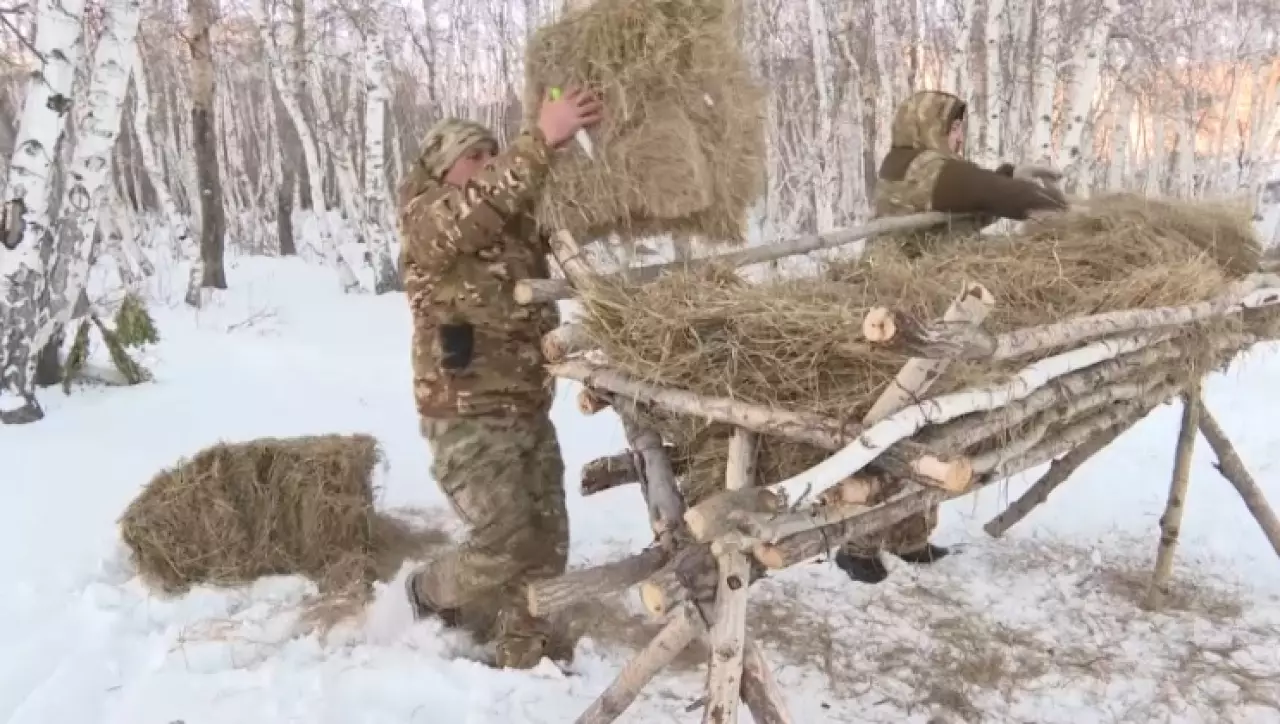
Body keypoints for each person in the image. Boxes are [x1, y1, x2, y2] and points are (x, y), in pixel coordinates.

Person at [396, 87, 603, 669]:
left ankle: (523, 651)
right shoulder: (428, 220)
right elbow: (480, 205)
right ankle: (427, 592)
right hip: (465, 416)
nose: (489, 164)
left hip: (527, 409)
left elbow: (567, 211)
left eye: (494, 154)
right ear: (444, 169)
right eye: (475, 156)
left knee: (546, 540)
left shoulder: (509, 221)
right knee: (504, 538)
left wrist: (579, 148)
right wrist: (540, 138)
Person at [833, 89, 1068, 585]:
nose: (960, 136)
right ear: (930, 125)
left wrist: (1007, 179)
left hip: (923, 306)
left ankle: (908, 537)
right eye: (955, 126)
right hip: (893, 307)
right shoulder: (917, 167)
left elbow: (970, 205)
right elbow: (983, 193)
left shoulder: (922, 167)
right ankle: (857, 544)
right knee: (893, 426)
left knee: (928, 422)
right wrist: (1048, 204)